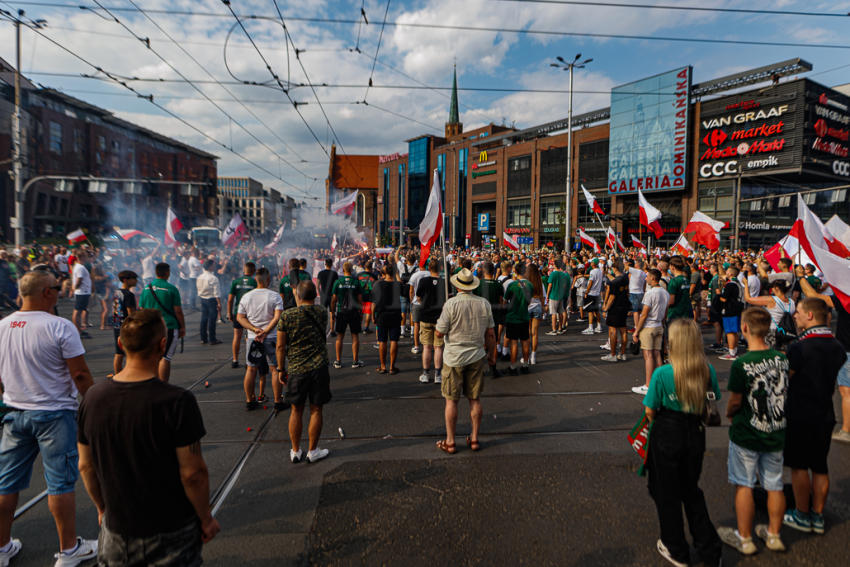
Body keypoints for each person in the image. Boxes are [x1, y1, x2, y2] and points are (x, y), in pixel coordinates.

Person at [77, 309, 220, 565]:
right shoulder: (177, 401)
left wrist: (101, 508)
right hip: (171, 529)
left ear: (121, 344)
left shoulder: (93, 398)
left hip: (116, 530)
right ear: (162, 344)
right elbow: (193, 473)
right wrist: (206, 518)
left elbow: (86, 465)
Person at [0, 270, 97, 566]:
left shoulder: (2, 326)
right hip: (55, 415)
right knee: (60, 484)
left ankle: (1, 547)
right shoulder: (60, 326)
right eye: (56, 287)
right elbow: (79, 374)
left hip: (14, 413)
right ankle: (68, 551)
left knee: (6, 483)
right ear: (46, 293)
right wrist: (94, 406)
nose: (59, 291)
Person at [642, 318, 722, 567]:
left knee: (666, 492)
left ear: (672, 343)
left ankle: (676, 547)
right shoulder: (706, 370)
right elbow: (714, 398)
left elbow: (650, 411)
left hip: (667, 432)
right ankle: (708, 549)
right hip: (695, 432)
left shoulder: (663, 373)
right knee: (691, 489)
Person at [718, 307, 789, 555]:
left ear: (744, 328)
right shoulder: (782, 359)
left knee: (744, 484)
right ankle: (773, 534)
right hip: (776, 430)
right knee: (774, 484)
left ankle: (745, 538)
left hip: (747, 432)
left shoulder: (742, 363)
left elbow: (736, 400)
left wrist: (729, 413)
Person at [782, 297, 847, 535]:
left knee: (799, 467)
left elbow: (785, 378)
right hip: (825, 411)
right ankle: (818, 515)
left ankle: (801, 514)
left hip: (800, 411)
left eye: (798, 312)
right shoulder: (837, 346)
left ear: (810, 315)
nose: (795, 316)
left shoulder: (799, 346)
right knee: (820, 466)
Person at [434, 268, 496, 454]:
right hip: (476, 356)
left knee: (451, 401)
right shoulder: (484, 304)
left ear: (457, 285)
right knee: (474, 399)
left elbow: (439, 332)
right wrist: (492, 354)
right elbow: (491, 333)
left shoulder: (451, 304)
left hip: (454, 357)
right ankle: (475, 438)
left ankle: (451, 442)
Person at [276, 281, 331, 464]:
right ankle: (313, 450)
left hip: (296, 368)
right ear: (315, 295)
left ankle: (296, 450)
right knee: (316, 409)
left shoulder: (287, 316)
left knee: (296, 410)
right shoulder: (322, 312)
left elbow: (280, 346)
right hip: (318, 367)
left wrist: (280, 368)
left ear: (298, 296)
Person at [795, 273, 850, 444]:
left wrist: (801, 277)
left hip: (848, 349)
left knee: (846, 392)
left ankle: (847, 430)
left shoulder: (847, 299)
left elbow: (815, 297)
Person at [237, 268, 285, 411]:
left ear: (256, 280)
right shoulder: (275, 296)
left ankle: (249, 400)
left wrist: (254, 329)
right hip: (271, 337)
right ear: (268, 279)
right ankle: (278, 401)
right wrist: (266, 330)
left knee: (251, 369)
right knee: (275, 369)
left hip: (253, 338)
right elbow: (278, 317)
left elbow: (240, 318)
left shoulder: (246, 297)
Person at [138, 262, 186, 382]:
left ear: (156, 272)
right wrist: (182, 327)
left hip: (150, 326)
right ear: (167, 273)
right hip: (169, 326)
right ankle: (163, 386)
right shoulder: (172, 289)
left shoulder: (146, 288)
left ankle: (153, 383)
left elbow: (142, 309)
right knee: (166, 357)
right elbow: (178, 311)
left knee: (153, 356)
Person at [632, 269, 669, 395]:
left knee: (648, 356)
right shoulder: (665, 292)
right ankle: (661, 382)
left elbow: (644, 314)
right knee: (657, 354)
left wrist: (636, 331)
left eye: (647, 277)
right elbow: (665, 313)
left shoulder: (650, 293)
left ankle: (648, 385)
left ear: (653, 278)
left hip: (649, 326)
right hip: (659, 325)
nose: (645, 278)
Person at [416, 259, 447, 383]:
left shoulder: (423, 281)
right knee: (438, 347)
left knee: (427, 347)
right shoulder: (444, 282)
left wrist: (423, 303)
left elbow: (418, 297)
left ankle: (425, 373)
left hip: (425, 316)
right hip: (439, 317)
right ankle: (438, 375)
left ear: (429, 268)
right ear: (440, 268)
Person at [331, 262, 364, 369]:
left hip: (341, 311)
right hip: (354, 311)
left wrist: (332, 312)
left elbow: (333, 300)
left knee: (340, 336)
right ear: (351, 270)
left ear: (343, 270)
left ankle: (338, 361)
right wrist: (361, 312)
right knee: (355, 336)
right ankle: (355, 361)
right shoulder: (356, 282)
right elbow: (360, 300)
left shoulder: (338, 282)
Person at [372, 263, 402, 374]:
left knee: (382, 341)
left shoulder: (378, 285)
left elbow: (374, 303)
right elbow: (405, 290)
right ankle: (392, 367)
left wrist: (373, 316)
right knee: (394, 340)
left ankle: (383, 366)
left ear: (384, 273)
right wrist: (397, 276)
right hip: (395, 314)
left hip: (382, 315)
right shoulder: (397, 285)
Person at [227, 262, 257, 369]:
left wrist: (229, 313)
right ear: (253, 271)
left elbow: (230, 300)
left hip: (238, 312)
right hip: (250, 313)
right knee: (249, 337)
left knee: (237, 336)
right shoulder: (254, 282)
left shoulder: (236, 282)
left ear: (244, 270)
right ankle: (248, 361)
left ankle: (235, 360)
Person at [504, 262, 532, 375]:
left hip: (512, 317)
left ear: (515, 271)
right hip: (524, 316)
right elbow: (529, 301)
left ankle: (513, 367)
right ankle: (525, 365)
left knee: (514, 343)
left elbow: (505, 301)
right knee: (525, 342)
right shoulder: (530, 285)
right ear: (525, 272)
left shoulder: (512, 285)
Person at [601, 260, 629, 362]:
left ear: (614, 268)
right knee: (623, 330)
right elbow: (616, 281)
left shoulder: (615, 282)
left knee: (612, 330)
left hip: (615, 308)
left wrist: (605, 308)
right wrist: (607, 274)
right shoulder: (625, 279)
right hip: (624, 306)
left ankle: (613, 354)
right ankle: (623, 353)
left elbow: (612, 296)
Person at [112, 270, 138, 375]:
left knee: (119, 353)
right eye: (134, 278)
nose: (136, 281)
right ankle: (129, 374)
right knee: (130, 352)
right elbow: (131, 313)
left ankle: (117, 374)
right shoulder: (129, 294)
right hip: (127, 326)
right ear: (126, 280)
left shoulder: (117, 292)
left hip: (117, 324)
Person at [718, 266, 745, 361]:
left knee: (730, 332)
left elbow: (724, 298)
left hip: (730, 310)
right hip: (737, 309)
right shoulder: (738, 283)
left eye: (728, 271)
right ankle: (734, 349)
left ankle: (731, 353)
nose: (726, 272)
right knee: (734, 331)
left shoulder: (730, 285)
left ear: (731, 274)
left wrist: (719, 294)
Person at [197, 259, 222, 346]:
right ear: (210, 266)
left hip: (203, 299)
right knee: (212, 320)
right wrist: (219, 303)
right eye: (213, 265)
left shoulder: (199, 277)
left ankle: (203, 338)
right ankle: (212, 339)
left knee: (204, 319)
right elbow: (216, 293)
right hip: (211, 300)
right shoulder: (213, 278)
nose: (214, 266)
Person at [545, 259, 571, 335]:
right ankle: (560, 328)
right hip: (561, 295)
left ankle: (554, 330)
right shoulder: (563, 274)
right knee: (560, 312)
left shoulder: (553, 274)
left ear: (555, 265)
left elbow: (550, 285)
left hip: (553, 295)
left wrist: (547, 295)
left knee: (553, 313)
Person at [526, 264, 545, 365]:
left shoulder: (525, 282)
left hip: (527, 307)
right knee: (535, 333)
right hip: (537, 306)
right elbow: (543, 297)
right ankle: (533, 356)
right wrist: (543, 309)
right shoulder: (539, 282)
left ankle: (526, 356)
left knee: (527, 333)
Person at [71, 250, 92, 338]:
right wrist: (75, 288)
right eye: (86, 256)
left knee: (79, 311)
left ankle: (79, 330)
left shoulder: (79, 266)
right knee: (77, 311)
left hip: (83, 291)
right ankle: (78, 331)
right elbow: (79, 279)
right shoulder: (80, 267)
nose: (87, 258)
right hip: (82, 292)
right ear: (82, 257)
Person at [666, 256, 692, 322]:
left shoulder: (674, 281)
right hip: (687, 313)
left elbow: (671, 301)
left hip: (676, 315)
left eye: (669, 266)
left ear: (672, 267)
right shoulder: (686, 279)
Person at [317, 259, 338, 336]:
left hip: (324, 296)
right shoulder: (334, 274)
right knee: (332, 313)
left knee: (323, 313)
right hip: (332, 295)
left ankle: (322, 330)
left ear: (325, 264)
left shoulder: (321, 273)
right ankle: (332, 330)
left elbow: (317, 285)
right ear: (331, 264)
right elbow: (336, 285)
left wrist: (320, 294)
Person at [628, 259, 647, 329]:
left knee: (635, 311)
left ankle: (636, 327)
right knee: (639, 311)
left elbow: (626, 267)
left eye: (636, 263)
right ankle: (640, 325)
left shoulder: (635, 271)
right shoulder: (644, 273)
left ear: (637, 265)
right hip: (641, 292)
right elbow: (644, 284)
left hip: (634, 292)